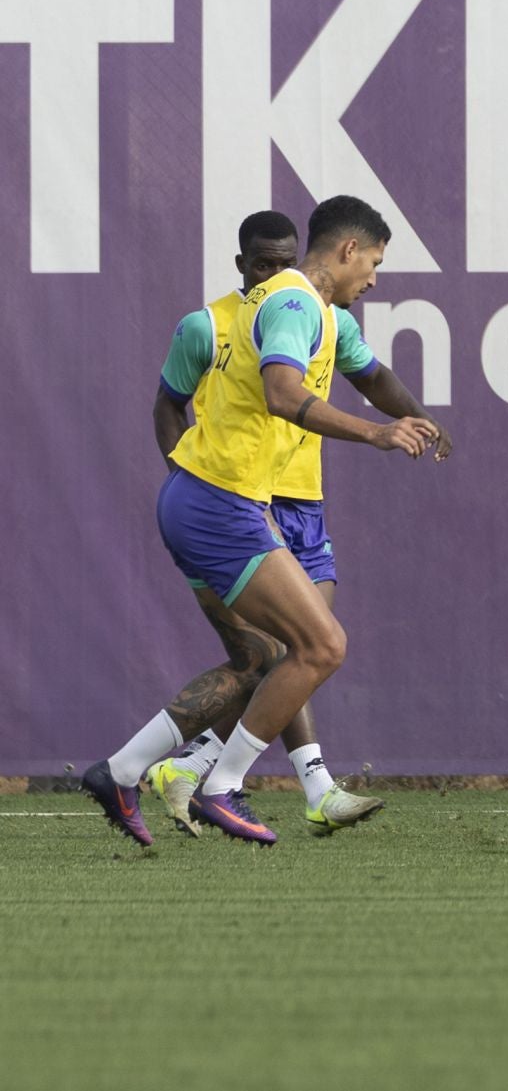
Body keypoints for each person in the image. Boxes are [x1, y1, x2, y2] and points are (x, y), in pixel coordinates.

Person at [81, 195, 441, 846]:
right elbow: (282, 392)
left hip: (216, 499)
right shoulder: (296, 303)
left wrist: (412, 418)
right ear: (348, 250)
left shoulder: (308, 310)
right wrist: (377, 433)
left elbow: (357, 376)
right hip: (220, 500)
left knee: (267, 656)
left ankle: (127, 768)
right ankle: (223, 784)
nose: (376, 280)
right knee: (322, 645)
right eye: (376, 263)